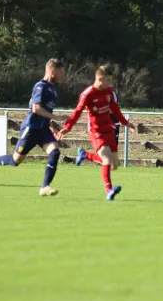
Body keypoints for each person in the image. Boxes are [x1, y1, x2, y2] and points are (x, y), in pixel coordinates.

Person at [0, 59, 68, 196]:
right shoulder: (40, 86)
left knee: (55, 152)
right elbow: (35, 108)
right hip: (31, 129)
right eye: (60, 72)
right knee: (16, 160)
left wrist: (50, 125)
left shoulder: (53, 89)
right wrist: (56, 118)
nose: (62, 75)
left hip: (43, 130)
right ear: (52, 72)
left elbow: (42, 108)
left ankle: (45, 186)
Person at [57, 65, 135, 200]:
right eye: (108, 80)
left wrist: (126, 122)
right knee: (106, 159)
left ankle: (85, 155)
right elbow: (77, 112)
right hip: (96, 131)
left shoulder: (109, 92)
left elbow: (115, 109)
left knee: (114, 166)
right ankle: (109, 190)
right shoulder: (87, 94)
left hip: (108, 129)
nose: (110, 83)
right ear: (100, 79)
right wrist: (68, 127)